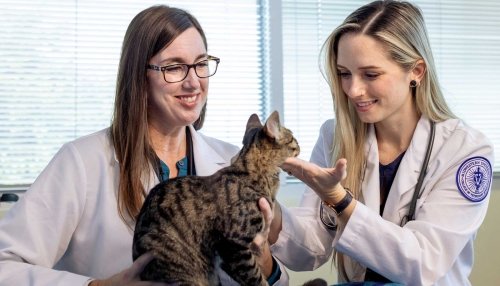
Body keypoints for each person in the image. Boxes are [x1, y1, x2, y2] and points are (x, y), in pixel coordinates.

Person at [0, 5, 288, 285]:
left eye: (201, 64)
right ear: (139, 75)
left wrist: (264, 262)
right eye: (174, 68)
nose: (193, 82)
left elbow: (278, 274)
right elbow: (5, 266)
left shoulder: (231, 161)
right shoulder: (82, 162)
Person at [271, 0, 494, 285]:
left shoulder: (467, 152)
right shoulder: (333, 136)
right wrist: (269, 213)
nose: (353, 90)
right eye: (344, 73)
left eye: (370, 74)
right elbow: (310, 248)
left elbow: (424, 264)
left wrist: (339, 200)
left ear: (416, 71)